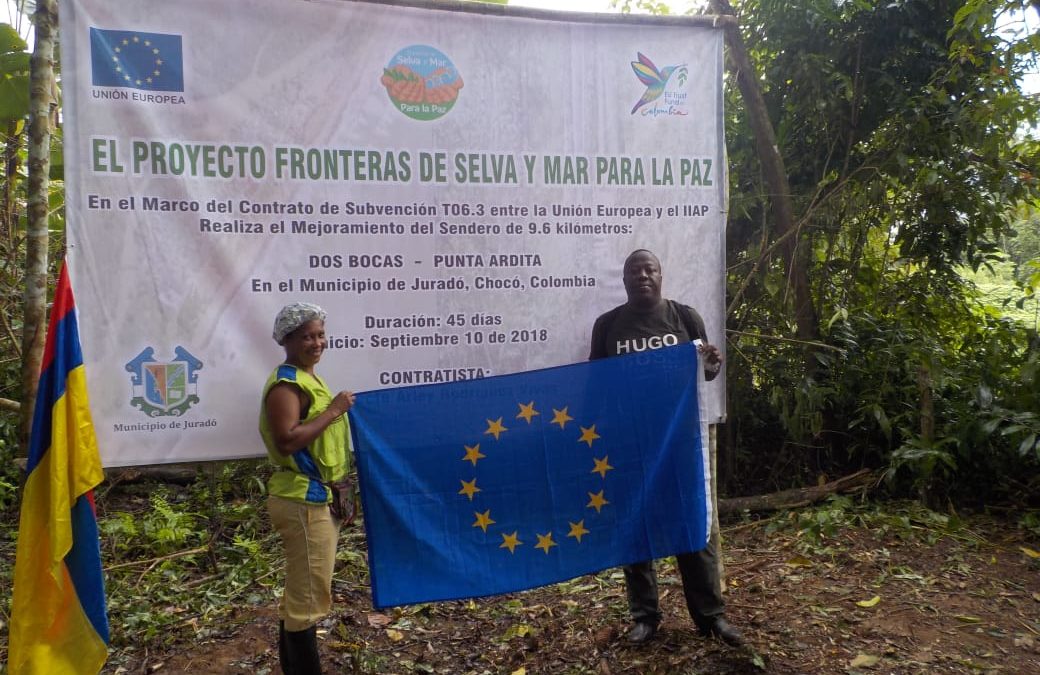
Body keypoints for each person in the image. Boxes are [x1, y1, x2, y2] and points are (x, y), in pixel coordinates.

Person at [589, 249, 744, 648]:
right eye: (634, 271)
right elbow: (594, 384)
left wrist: (712, 363)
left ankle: (711, 617)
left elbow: (705, 372)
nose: (642, 275)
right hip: (629, 445)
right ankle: (645, 617)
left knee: (693, 526)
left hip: (678, 444)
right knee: (636, 530)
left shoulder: (685, 317)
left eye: (649, 269)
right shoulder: (607, 325)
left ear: (660, 275)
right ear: (624, 281)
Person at [259, 302, 356, 675]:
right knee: (308, 602)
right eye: (306, 337)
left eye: (319, 335)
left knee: (302, 596)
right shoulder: (287, 384)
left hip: (315, 498)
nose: (316, 343)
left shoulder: (308, 378)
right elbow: (287, 441)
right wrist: (333, 410)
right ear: (287, 341)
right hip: (303, 502)